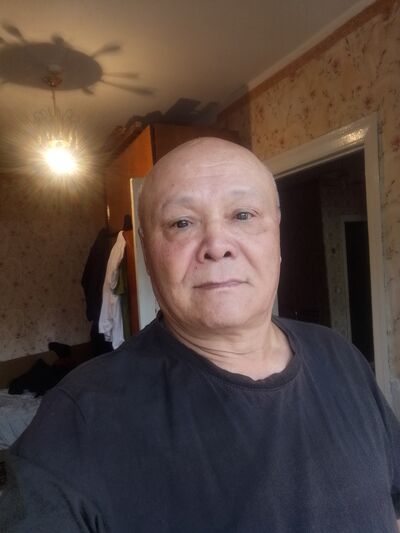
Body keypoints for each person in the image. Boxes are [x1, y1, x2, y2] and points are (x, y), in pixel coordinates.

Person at [1, 137, 399, 532]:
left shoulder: (339, 354)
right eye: (182, 223)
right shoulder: (80, 417)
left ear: (277, 235)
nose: (217, 246)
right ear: (147, 251)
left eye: (243, 215)